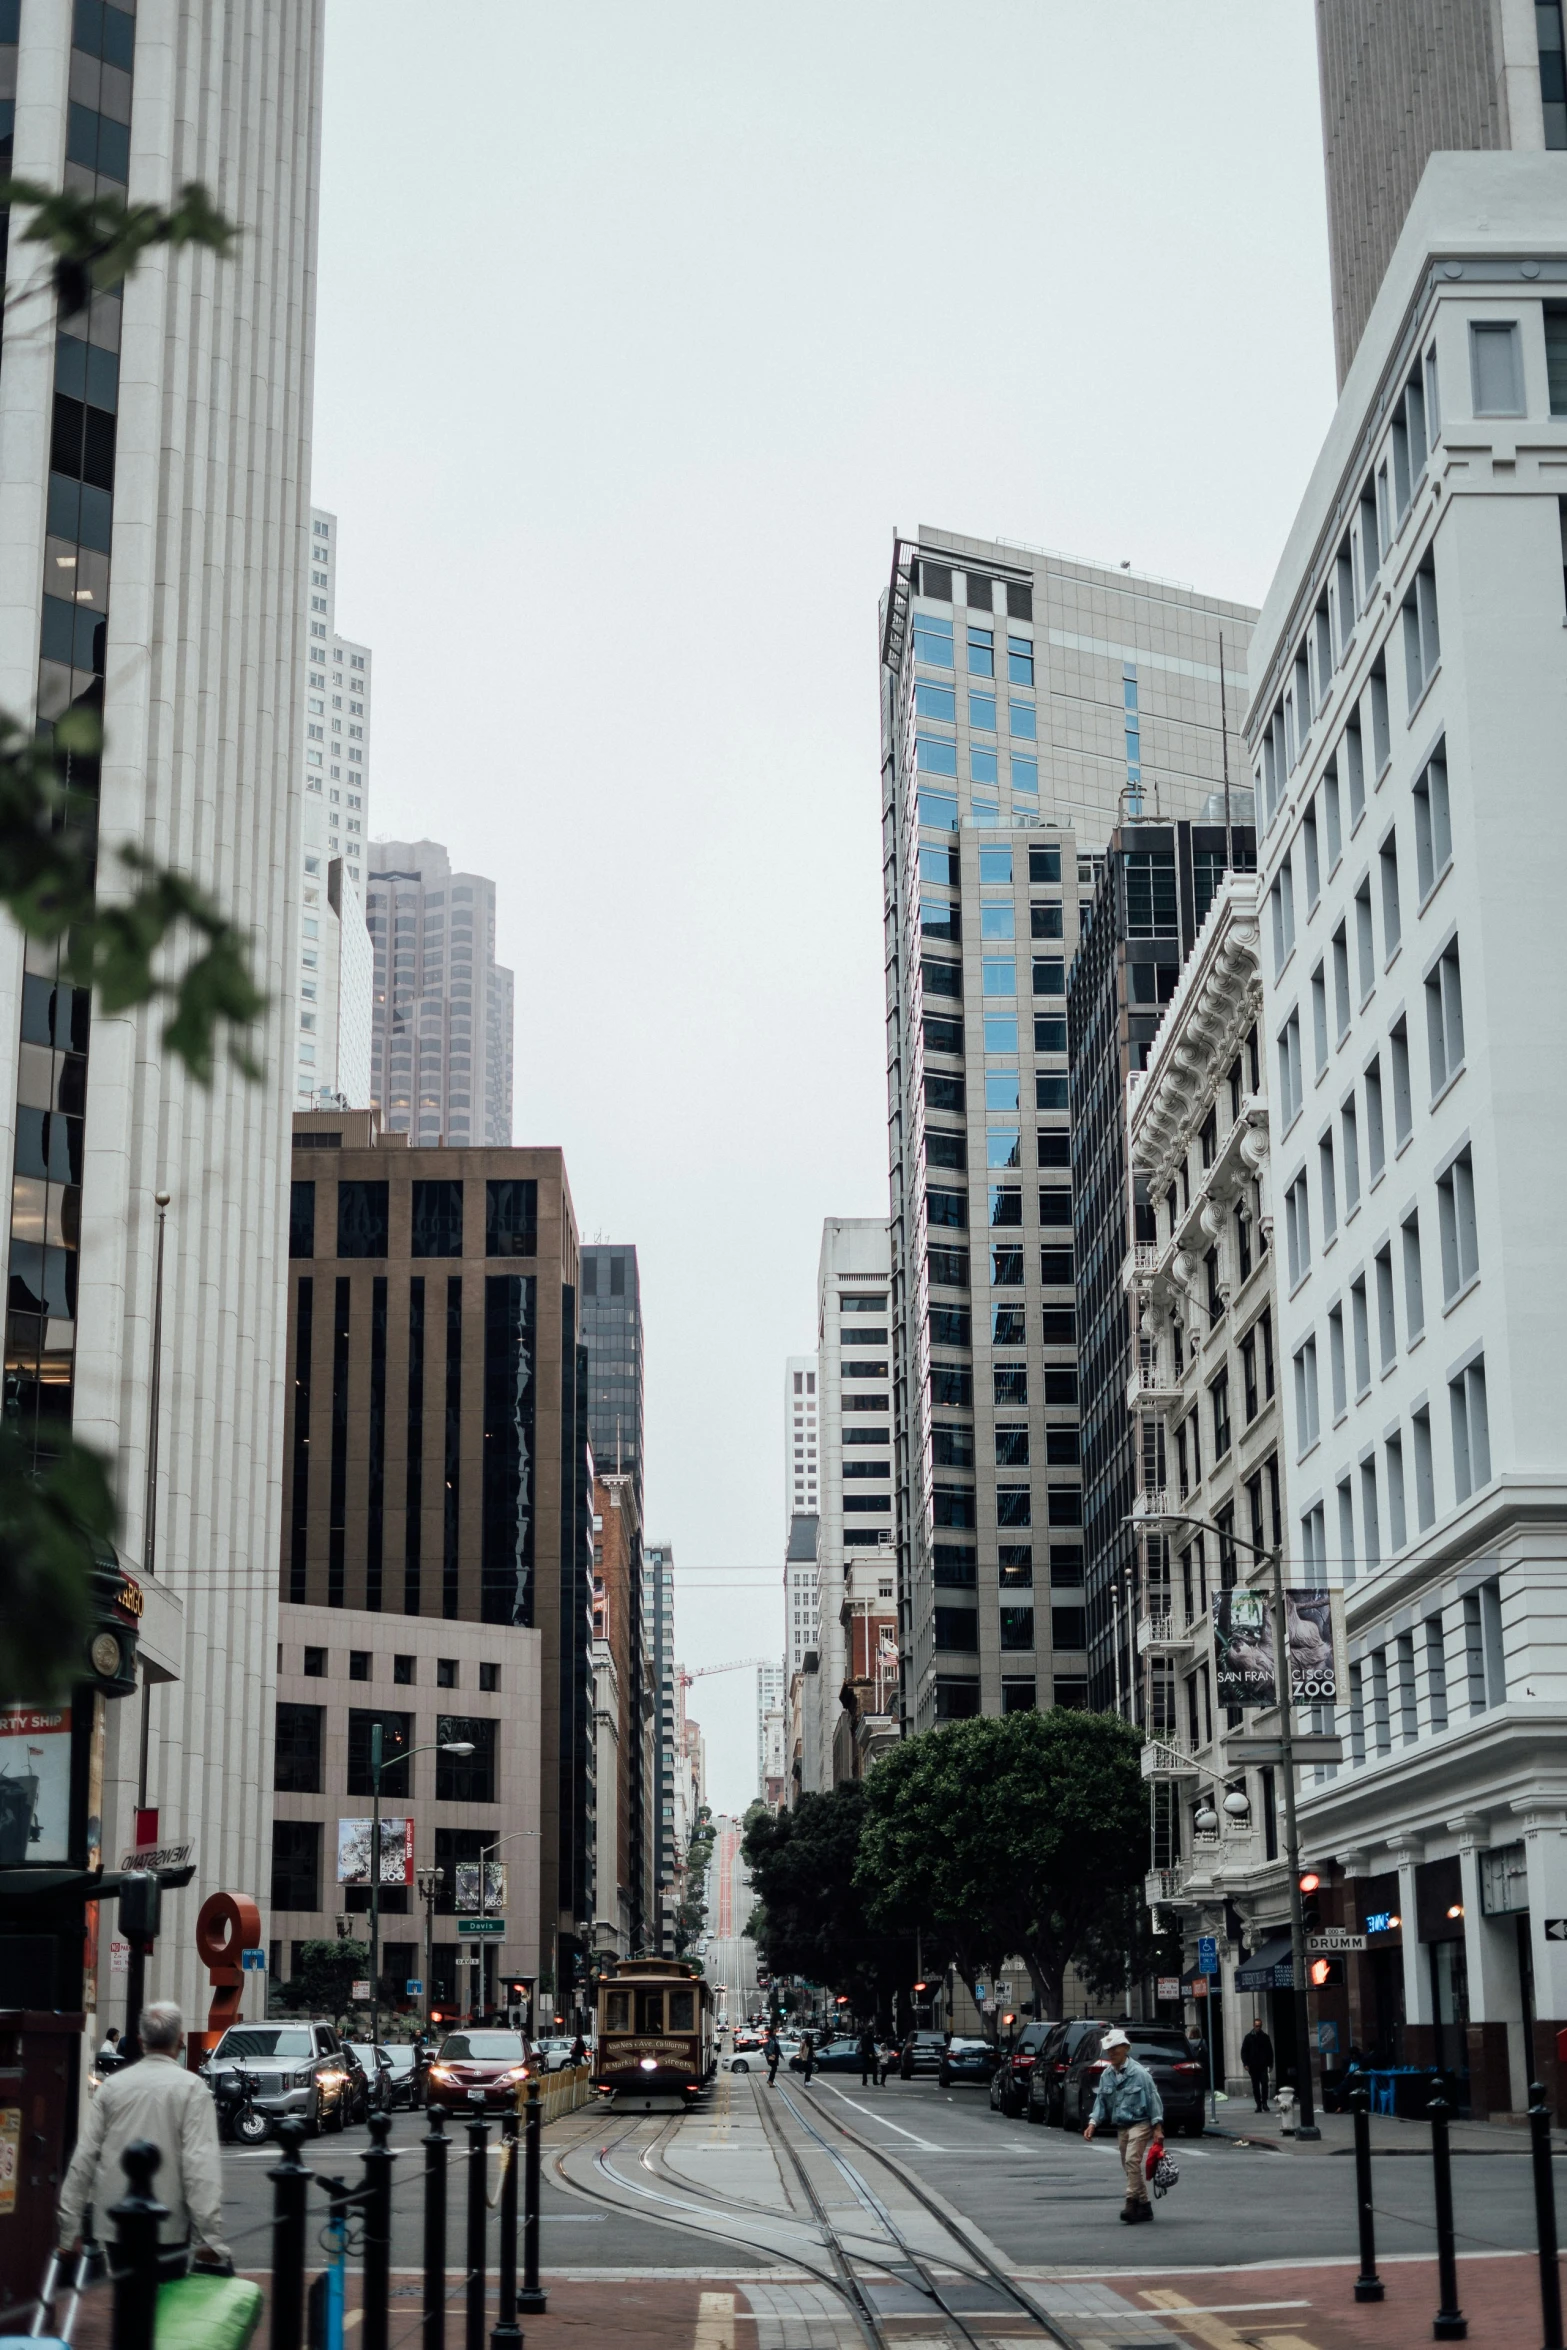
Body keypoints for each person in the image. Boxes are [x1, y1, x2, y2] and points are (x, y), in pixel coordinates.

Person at [58, 2003, 229, 2269]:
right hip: (169, 2222)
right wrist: (209, 2236)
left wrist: (68, 2233)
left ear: (140, 2041)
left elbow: (84, 2158)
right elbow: (200, 2164)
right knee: (166, 2302)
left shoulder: (112, 2088)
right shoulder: (192, 2089)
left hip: (116, 2223)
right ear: (180, 2039)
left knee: (126, 2299)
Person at [1083, 2027, 1165, 2225]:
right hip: (1122, 2126)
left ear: (1126, 2048)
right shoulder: (1107, 2076)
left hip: (1140, 2123)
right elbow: (1100, 2102)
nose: (1112, 2053)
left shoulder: (1139, 2074)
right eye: (1109, 2049)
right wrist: (1092, 2123)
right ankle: (1145, 2206)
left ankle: (1130, 2203)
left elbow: (1154, 2100)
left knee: (1131, 2161)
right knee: (1130, 2167)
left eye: (1115, 2048)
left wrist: (1157, 2127)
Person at [1240, 2017, 1274, 2113]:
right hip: (1253, 2065)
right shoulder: (1248, 2037)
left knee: (1264, 2084)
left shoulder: (1265, 2037)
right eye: (1256, 2026)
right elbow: (1244, 2052)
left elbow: (1270, 2051)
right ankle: (1258, 2104)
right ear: (1253, 2026)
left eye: (1259, 2026)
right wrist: (1245, 2063)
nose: (1258, 2028)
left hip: (1263, 2065)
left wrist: (1270, 2064)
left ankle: (1264, 2103)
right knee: (1255, 2086)